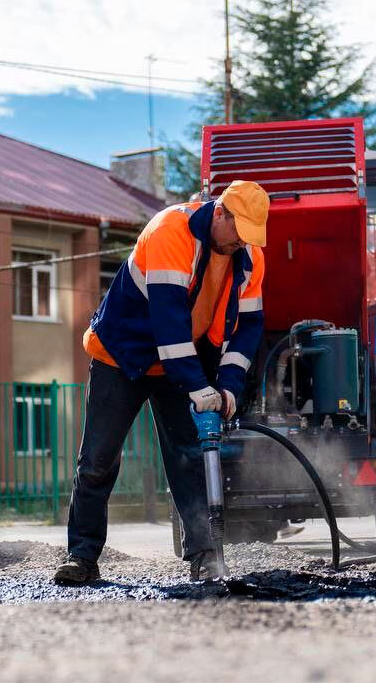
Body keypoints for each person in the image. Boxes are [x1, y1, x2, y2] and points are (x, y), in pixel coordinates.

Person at [54, 180, 269, 585]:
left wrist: (228, 386)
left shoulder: (249, 256)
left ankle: (205, 557)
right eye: (237, 234)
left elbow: (249, 327)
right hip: (123, 355)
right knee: (98, 460)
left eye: (249, 238)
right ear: (219, 212)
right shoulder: (171, 230)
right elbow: (169, 326)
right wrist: (198, 386)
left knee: (190, 457)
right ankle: (81, 557)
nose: (241, 244)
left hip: (181, 359)